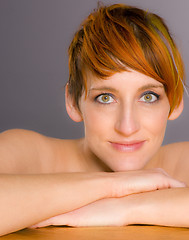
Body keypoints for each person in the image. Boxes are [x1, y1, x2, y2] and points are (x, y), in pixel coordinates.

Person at [0, 3, 189, 236]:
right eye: (106, 97)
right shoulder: (30, 152)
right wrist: (118, 186)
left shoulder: (183, 161)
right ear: (72, 101)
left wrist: (126, 208)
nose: (127, 127)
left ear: (176, 100)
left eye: (148, 97)